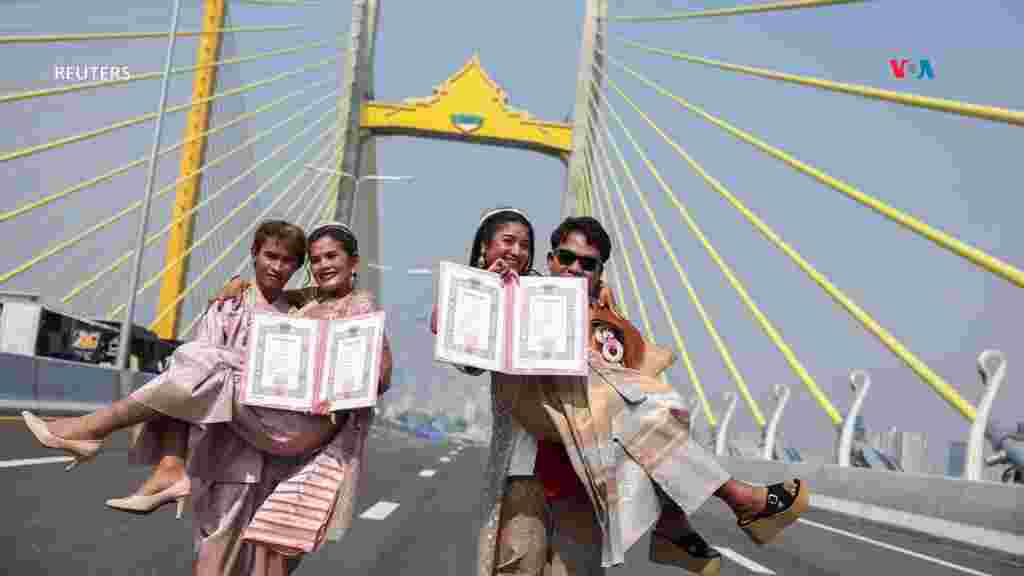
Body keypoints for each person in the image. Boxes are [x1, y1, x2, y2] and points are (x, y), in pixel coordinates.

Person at [23, 220, 392, 575]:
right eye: (316, 259)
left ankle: (95, 431)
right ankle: (159, 463)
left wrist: (357, 368)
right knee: (196, 363)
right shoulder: (303, 303)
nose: (323, 265)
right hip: (263, 423)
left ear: (353, 262)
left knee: (204, 361)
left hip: (302, 427)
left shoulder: (361, 308)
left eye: (332, 257)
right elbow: (267, 294)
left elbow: (381, 377)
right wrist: (238, 284)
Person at [461, 215, 810, 576]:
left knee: (651, 410)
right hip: (526, 473)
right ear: (550, 260)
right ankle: (713, 511)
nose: (574, 269)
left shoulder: (610, 324)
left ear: (599, 272)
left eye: (587, 264)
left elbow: (641, 394)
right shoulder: (514, 297)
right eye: (566, 258)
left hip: (584, 481)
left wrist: (601, 320)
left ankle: (681, 523)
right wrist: (482, 286)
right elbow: (464, 356)